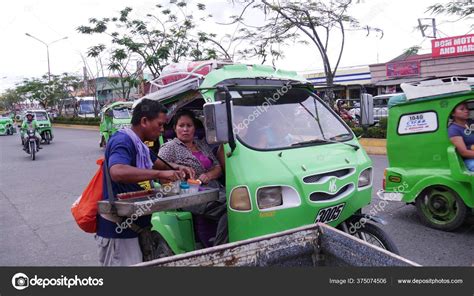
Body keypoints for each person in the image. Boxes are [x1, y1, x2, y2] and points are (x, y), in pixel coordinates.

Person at [96, 99, 195, 266]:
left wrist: (180, 168)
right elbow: (117, 171)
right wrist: (161, 173)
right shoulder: (123, 141)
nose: (162, 130)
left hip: (136, 229)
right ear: (144, 121)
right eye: (159, 125)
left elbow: (159, 163)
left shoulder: (139, 145)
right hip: (119, 233)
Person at [158, 109, 227, 247]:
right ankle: (220, 250)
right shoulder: (170, 147)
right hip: (189, 194)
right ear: (174, 128)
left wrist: (208, 175)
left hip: (215, 190)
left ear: (194, 128)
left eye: (189, 126)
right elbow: (158, 170)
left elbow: (218, 167)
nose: (185, 129)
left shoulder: (202, 144)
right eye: (181, 126)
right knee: (231, 207)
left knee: (241, 201)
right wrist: (178, 176)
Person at [448, 102, 474, 172]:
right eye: (462, 109)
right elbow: (463, 152)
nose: (466, 111)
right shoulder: (453, 129)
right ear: (453, 113)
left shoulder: (471, 122)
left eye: (467, 108)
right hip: (469, 159)